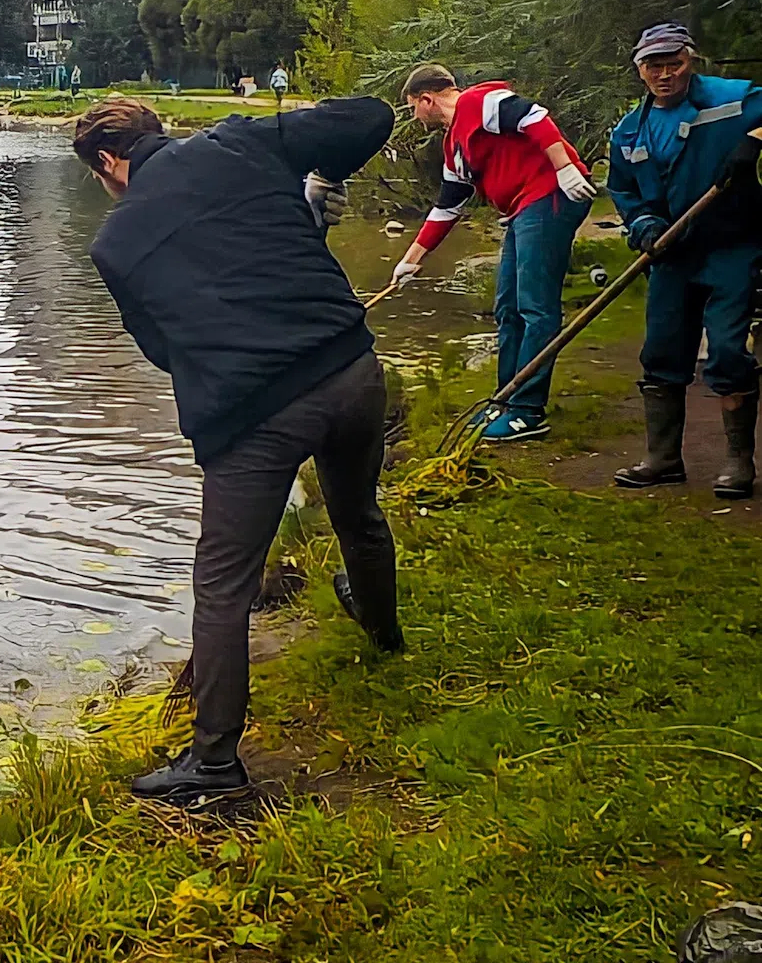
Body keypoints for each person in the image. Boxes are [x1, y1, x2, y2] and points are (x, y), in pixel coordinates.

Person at [74, 96, 403, 805]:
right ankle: (385, 637)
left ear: (107, 162)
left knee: (223, 584)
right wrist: (317, 179)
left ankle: (216, 764)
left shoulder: (116, 244)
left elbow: (160, 348)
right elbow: (372, 116)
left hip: (254, 416)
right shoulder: (237, 143)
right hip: (351, 371)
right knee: (357, 513)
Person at [391, 64, 598, 441]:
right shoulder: (453, 145)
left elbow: (534, 119)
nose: (414, 117)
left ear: (426, 99)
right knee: (507, 306)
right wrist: (411, 260)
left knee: (535, 306)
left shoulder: (478, 101)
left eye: (412, 108)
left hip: (549, 194)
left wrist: (565, 167)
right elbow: (447, 207)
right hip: (522, 209)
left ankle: (528, 411)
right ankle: (505, 398)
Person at [605, 23, 762, 495]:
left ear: (690, 60)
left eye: (674, 62)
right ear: (640, 71)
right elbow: (626, 192)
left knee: (730, 350)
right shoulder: (630, 131)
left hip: (732, 244)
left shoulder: (732, 99)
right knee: (663, 351)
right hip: (672, 256)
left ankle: (739, 463)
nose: (665, 73)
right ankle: (663, 457)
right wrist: (645, 227)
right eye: (654, 65)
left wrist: (753, 139)